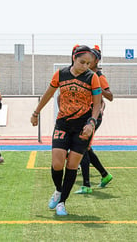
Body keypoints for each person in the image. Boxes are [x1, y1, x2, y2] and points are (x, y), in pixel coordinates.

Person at [30, 45, 102, 216]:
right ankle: (58, 190)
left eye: (88, 63)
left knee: (72, 165)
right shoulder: (61, 74)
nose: (85, 66)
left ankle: (62, 202)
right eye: (82, 62)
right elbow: (48, 94)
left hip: (82, 126)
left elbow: (97, 103)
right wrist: (36, 113)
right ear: (73, 58)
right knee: (57, 163)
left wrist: (91, 122)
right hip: (62, 123)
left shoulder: (92, 78)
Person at [75, 45, 113, 194]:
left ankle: (86, 185)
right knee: (85, 148)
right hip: (84, 115)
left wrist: (96, 88)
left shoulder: (98, 76)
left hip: (93, 116)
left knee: (82, 147)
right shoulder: (87, 74)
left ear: (96, 60)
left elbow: (110, 96)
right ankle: (104, 175)